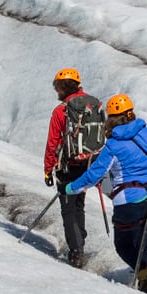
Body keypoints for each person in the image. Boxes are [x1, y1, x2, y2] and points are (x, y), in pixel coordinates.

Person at [63, 94, 147, 293]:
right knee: (145, 246)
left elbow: (94, 176)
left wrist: (70, 188)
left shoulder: (113, 145)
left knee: (123, 245)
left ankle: (145, 277)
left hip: (129, 203)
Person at [44, 67, 100, 268]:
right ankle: (80, 242)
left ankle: (76, 251)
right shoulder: (94, 104)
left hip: (68, 165)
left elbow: (53, 142)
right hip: (90, 164)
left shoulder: (61, 111)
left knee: (68, 209)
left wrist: (48, 169)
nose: (57, 92)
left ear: (63, 87)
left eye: (58, 88)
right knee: (79, 205)